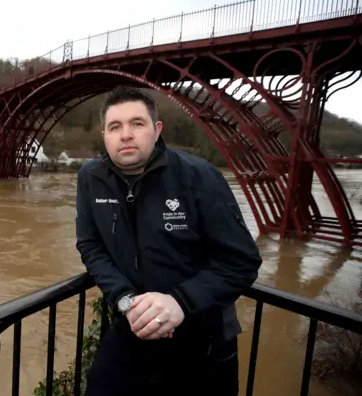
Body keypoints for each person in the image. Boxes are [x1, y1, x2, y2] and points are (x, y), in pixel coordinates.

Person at [75, 86, 262, 395]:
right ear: (104, 134)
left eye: (137, 123)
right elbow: (90, 245)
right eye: (115, 126)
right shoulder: (91, 177)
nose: (126, 134)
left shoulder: (200, 177)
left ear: (156, 129)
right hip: (132, 322)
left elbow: (241, 262)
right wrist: (124, 299)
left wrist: (180, 301)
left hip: (203, 334)